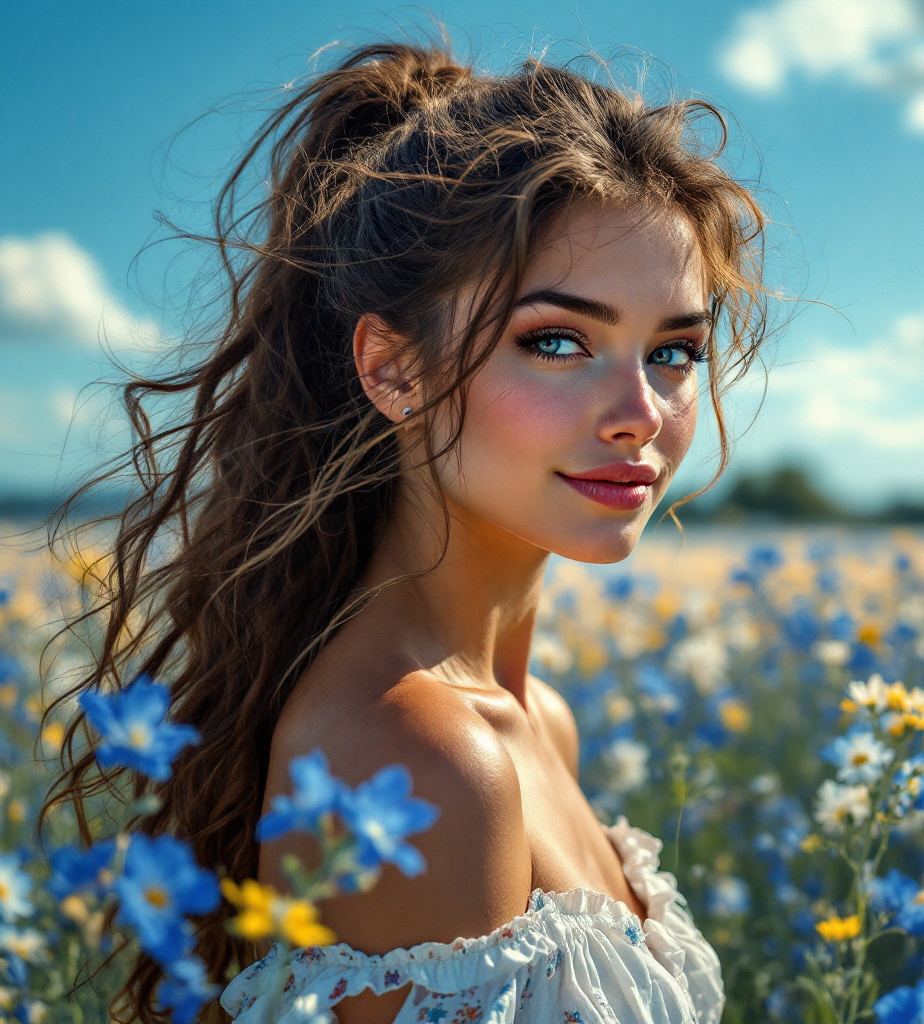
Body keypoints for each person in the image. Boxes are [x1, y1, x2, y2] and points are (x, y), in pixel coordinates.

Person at [47, 38, 769, 1024]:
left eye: (674, 350)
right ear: (394, 370)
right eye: (558, 341)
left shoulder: (530, 717)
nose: (639, 410)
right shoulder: (418, 757)